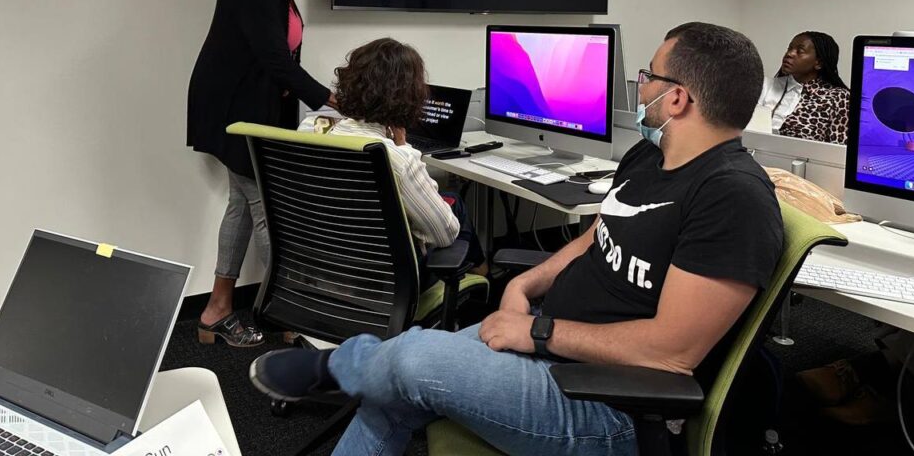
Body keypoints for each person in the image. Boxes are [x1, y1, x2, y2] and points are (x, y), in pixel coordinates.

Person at [249, 22, 784, 456]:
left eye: (648, 76)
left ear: (677, 99)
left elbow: (671, 354)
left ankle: (333, 368)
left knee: (410, 360)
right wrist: (526, 284)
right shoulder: (650, 156)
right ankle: (358, 370)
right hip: (546, 346)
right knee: (389, 394)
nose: (639, 85)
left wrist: (539, 332)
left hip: (603, 404)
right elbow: (598, 236)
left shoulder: (732, 198)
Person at [187, 0, 335, 347]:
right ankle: (295, 318)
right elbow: (272, 56)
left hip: (251, 110)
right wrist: (329, 100)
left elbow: (277, 55)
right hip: (236, 113)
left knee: (242, 203)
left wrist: (295, 91)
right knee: (270, 213)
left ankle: (217, 309)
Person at [297, 37, 483, 274]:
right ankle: (482, 285)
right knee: (454, 208)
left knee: (447, 200)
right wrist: (404, 147)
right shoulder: (396, 158)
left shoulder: (309, 130)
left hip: (321, 268)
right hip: (386, 283)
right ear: (410, 97)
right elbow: (445, 235)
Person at [758, 31, 850, 144]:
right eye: (789, 48)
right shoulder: (766, 86)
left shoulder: (837, 97)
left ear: (819, 63)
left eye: (800, 51)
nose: (789, 54)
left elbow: (838, 148)